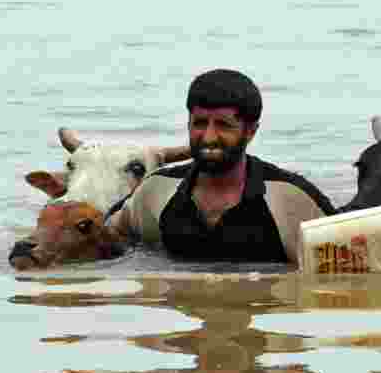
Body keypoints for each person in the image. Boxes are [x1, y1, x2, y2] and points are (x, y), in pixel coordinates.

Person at [107, 69, 336, 263]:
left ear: (250, 131)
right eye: (199, 123)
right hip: (181, 314)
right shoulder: (156, 190)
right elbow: (111, 236)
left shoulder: (292, 197)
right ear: (188, 124)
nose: (208, 137)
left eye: (224, 125)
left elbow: (349, 262)